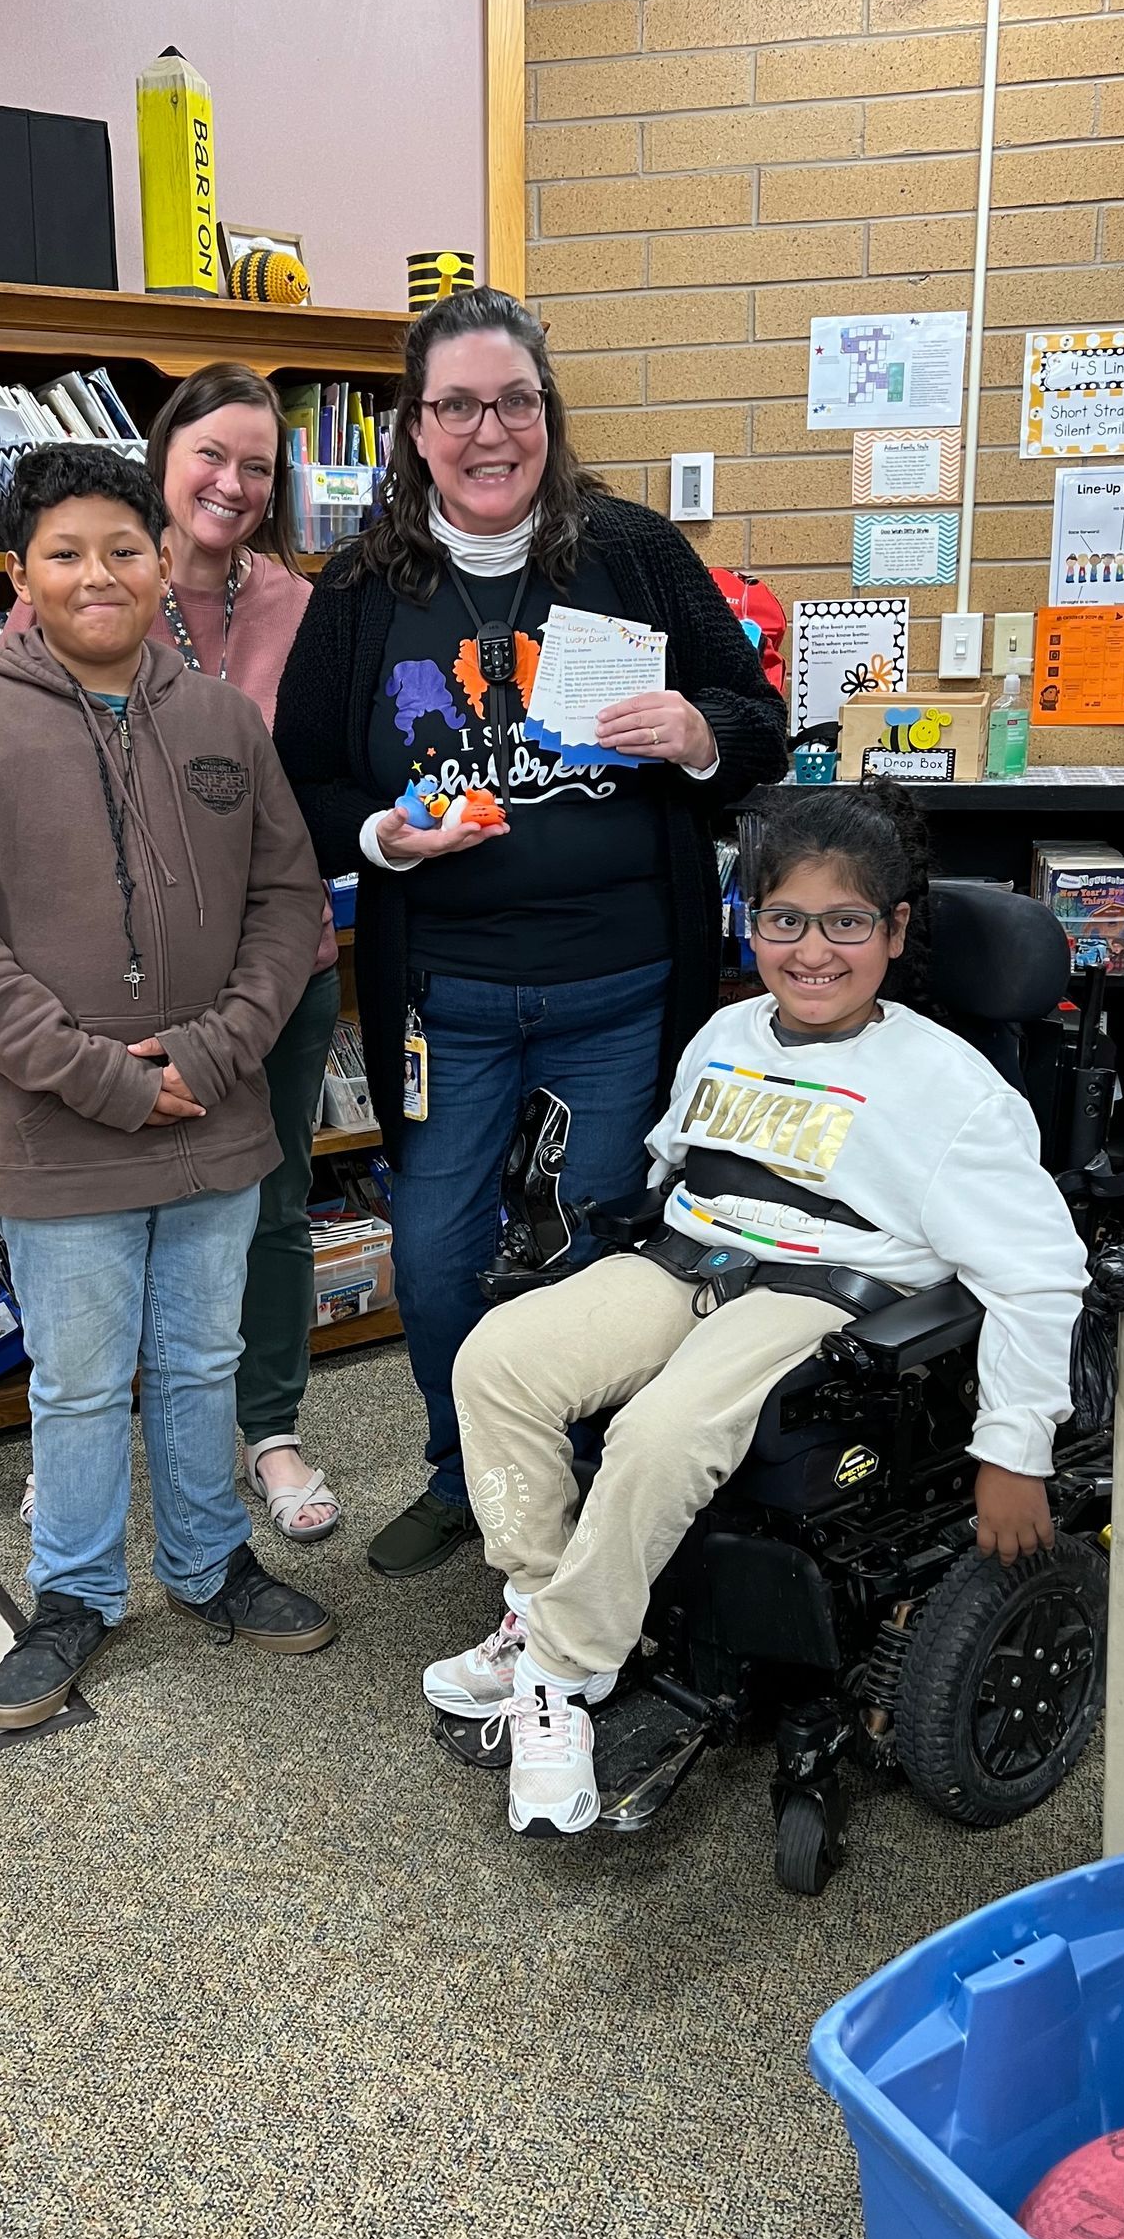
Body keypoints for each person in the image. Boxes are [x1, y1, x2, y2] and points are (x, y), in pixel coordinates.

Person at [427, 782, 1090, 1836]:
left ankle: (562, 1676)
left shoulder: (948, 1090)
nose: (813, 950)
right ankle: (543, 1604)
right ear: (750, 919)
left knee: (660, 1432)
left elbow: (1040, 1273)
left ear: (895, 930)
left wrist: (1016, 1450)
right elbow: (674, 1162)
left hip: (822, 1292)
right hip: (688, 1256)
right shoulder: (727, 1032)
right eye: (784, 920)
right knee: (496, 1360)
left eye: (846, 923)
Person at [273, 285, 785, 1581]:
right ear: (416, 425)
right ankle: (471, 1471)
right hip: (446, 997)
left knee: (606, 1242)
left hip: (623, 985)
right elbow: (307, 785)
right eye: (456, 406)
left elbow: (754, 710)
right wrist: (387, 836)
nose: (487, 431)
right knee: (436, 1254)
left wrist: (700, 731)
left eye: (514, 401)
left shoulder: (633, 551)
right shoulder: (361, 589)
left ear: (547, 414)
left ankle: (606, 1487)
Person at [0, 445, 334, 1731]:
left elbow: (286, 898)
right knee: (79, 1380)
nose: (101, 574)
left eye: (125, 550)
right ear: (18, 572)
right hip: (61, 1123)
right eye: (67, 552)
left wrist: (206, 1055)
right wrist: (103, 1078)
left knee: (203, 1359)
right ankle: (73, 1595)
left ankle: (208, 1563)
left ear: (162, 564)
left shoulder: (219, 719)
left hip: (214, 1115)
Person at [143, 364, 341, 1545]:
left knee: (270, 1204)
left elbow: (323, 778)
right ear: (166, 457)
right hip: (131, 971)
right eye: (212, 453)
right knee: (125, 1212)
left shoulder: (302, 609)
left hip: (282, 964)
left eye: (258, 466)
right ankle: (108, 1433)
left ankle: (268, 1428)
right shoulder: (94, 579)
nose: (232, 482)